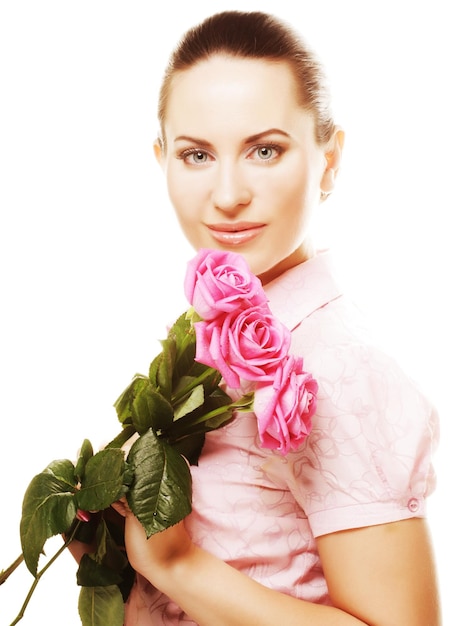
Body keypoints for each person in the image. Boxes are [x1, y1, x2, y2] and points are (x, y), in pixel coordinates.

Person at [112, 10, 440, 625]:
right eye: (197, 154)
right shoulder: (207, 336)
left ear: (330, 159)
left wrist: (178, 567)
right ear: (161, 160)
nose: (229, 193)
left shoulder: (341, 369)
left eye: (265, 150)